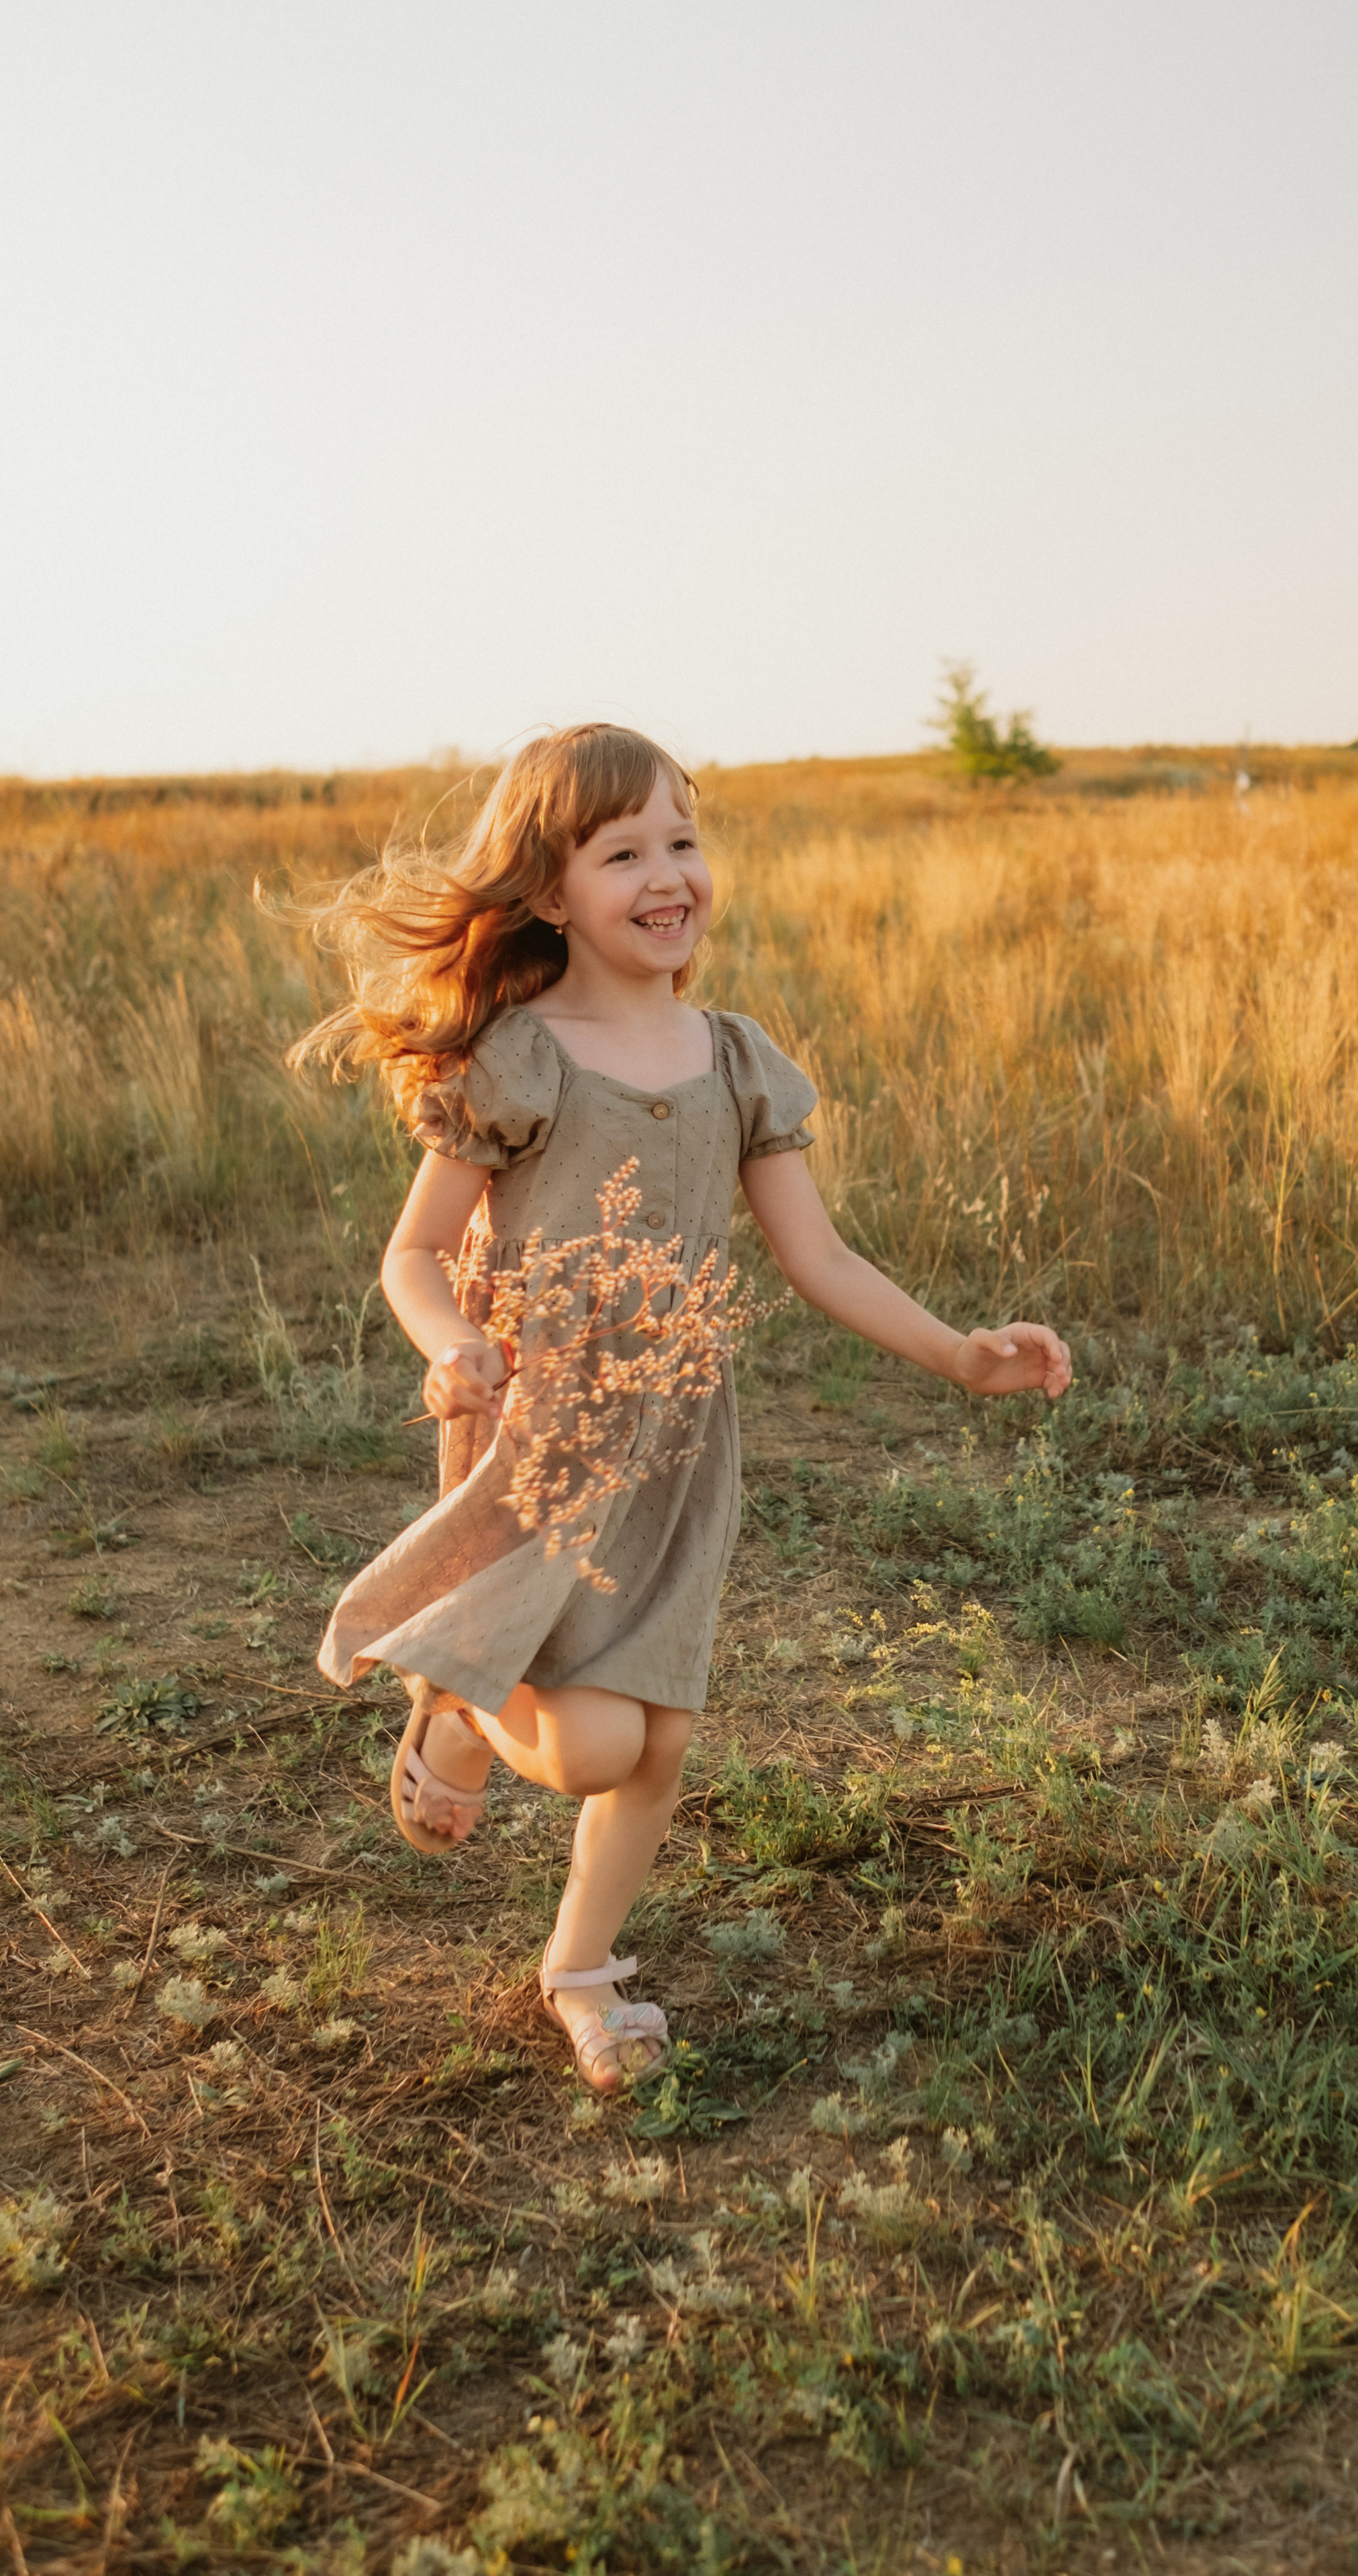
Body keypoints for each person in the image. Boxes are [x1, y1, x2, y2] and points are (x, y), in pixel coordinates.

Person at [291, 724, 1072, 2095]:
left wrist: (959, 1354)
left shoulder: (734, 1059)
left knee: (662, 1732)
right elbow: (411, 1254)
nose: (669, 874)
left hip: (674, 1434)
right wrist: (454, 1340)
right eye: (624, 851)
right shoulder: (517, 1058)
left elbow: (815, 1258)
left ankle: (580, 1974)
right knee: (593, 1740)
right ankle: (457, 1703)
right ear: (549, 893)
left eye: (683, 840)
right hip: (536, 1439)